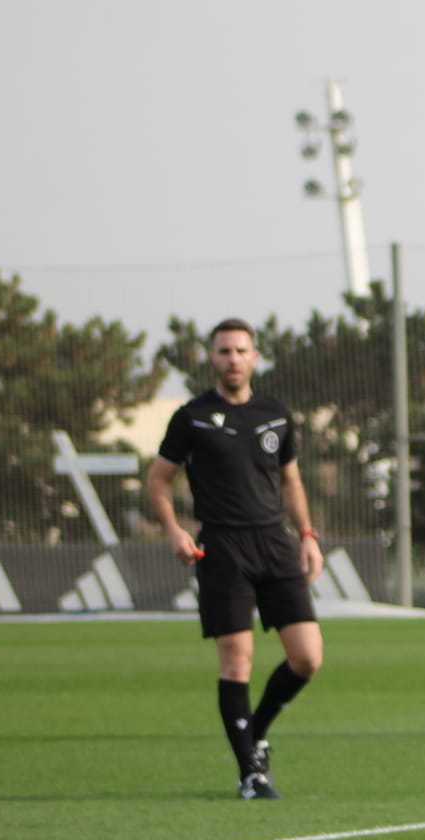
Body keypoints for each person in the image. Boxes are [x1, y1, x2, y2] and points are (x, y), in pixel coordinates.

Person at [145, 318, 324, 800]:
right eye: (223, 351)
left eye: (241, 350)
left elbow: (291, 480)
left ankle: (257, 732)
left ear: (254, 358)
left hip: (275, 542)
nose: (232, 359)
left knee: (307, 658)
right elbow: (158, 480)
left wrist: (307, 534)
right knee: (236, 660)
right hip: (222, 547)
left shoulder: (276, 414)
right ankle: (251, 773)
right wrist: (174, 531)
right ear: (211, 358)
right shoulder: (191, 416)